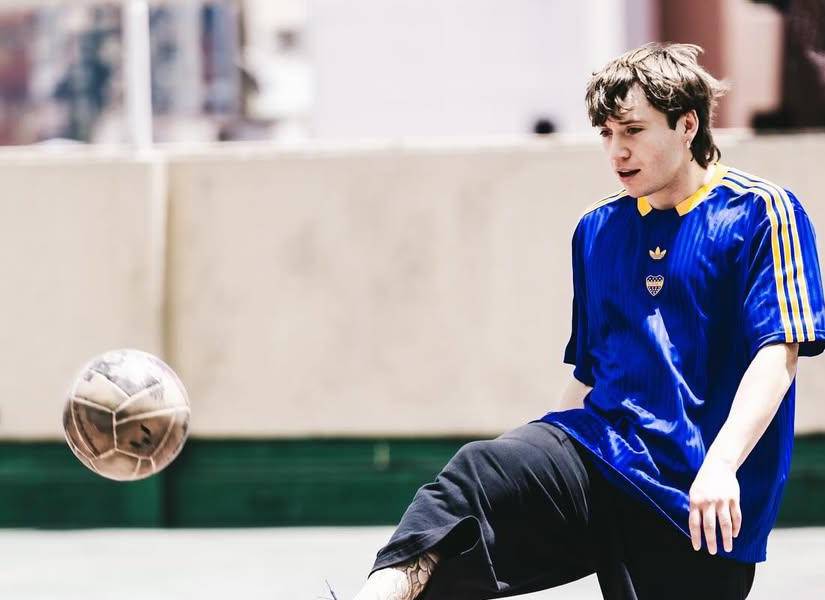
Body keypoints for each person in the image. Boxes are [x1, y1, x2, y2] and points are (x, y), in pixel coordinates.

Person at [351, 43, 825, 600]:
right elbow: (589, 369)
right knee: (472, 485)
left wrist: (721, 466)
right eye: (606, 134)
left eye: (632, 130)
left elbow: (778, 355)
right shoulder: (597, 229)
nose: (617, 151)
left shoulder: (763, 212)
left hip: (696, 498)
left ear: (687, 124)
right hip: (600, 455)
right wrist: (545, 442)